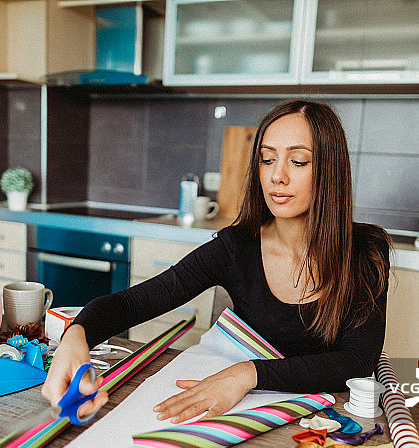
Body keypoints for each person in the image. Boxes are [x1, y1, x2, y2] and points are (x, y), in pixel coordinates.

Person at [41, 99, 391, 424]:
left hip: (326, 422)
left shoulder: (367, 252)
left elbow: (357, 361)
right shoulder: (235, 247)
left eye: (297, 161)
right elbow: (137, 301)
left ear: (329, 170)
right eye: (267, 159)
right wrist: (77, 335)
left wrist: (248, 373)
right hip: (242, 417)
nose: (277, 176)